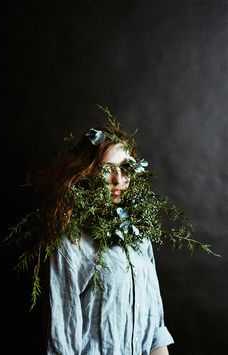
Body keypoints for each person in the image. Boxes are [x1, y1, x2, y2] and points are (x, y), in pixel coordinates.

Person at [34, 121, 175, 355]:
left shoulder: (139, 235)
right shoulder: (72, 241)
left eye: (125, 167)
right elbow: (63, 341)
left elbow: (155, 330)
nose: (118, 180)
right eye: (106, 169)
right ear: (87, 172)